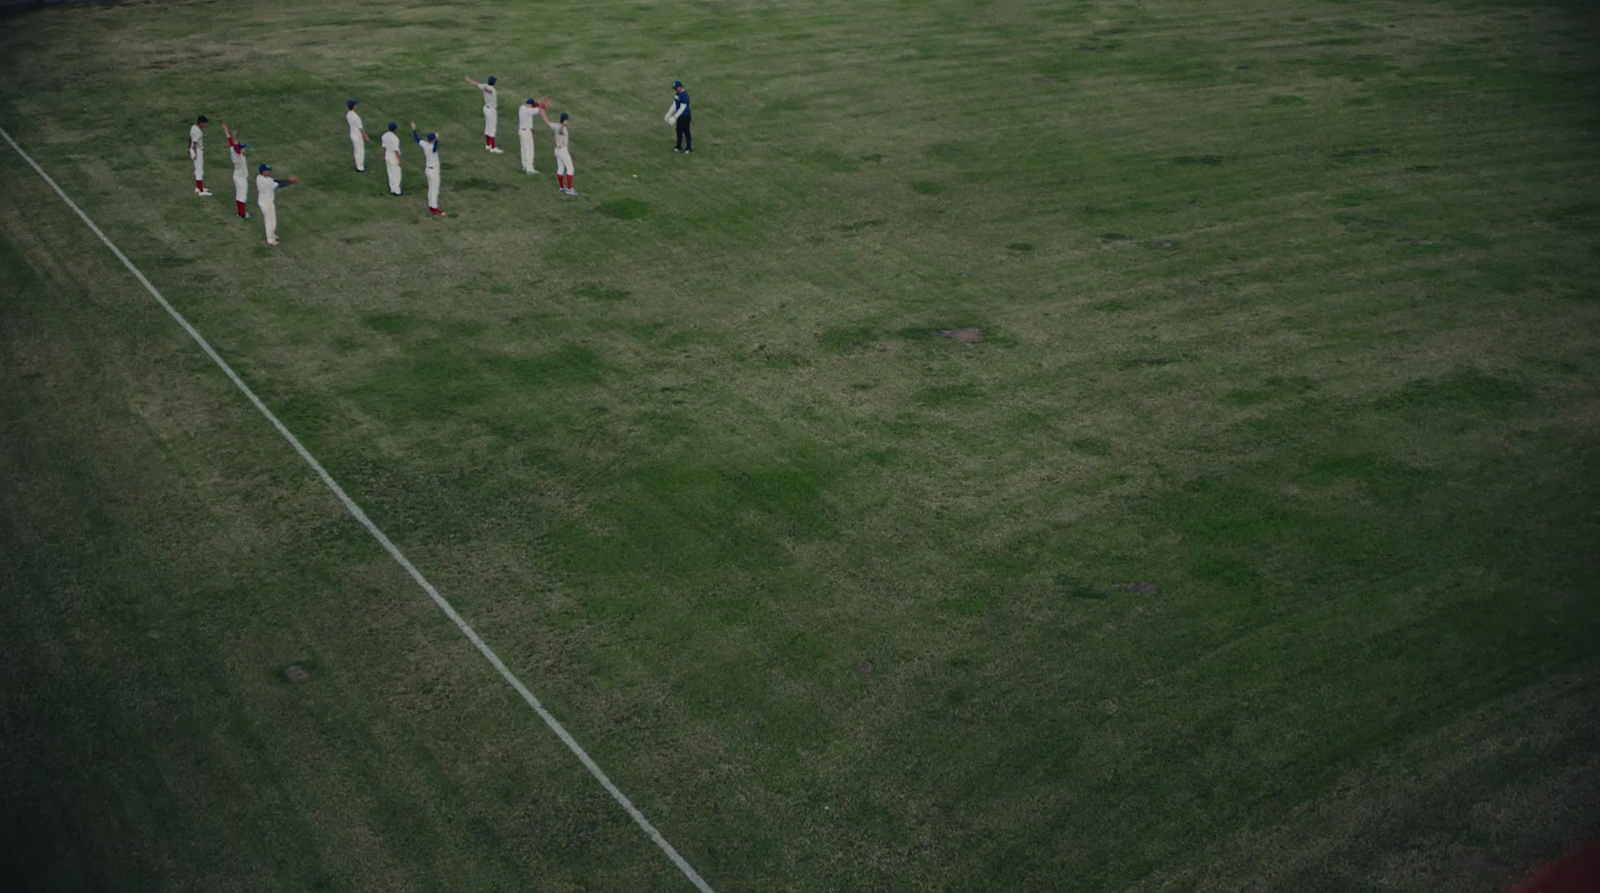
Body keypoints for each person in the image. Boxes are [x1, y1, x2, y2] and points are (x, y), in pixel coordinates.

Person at [254, 163, 298, 246]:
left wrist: (288, 180)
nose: (269, 172)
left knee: (273, 219)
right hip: (264, 203)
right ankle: (270, 240)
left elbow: (276, 181)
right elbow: (279, 185)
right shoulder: (264, 181)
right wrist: (290, 182)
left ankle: (272, 234)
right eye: (267, 170)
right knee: (268, 221)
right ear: (263, 172)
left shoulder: (263, 178)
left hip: (269, 201)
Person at [537, 106, 576, 195]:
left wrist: (542, 112)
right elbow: (561, 132)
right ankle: (569, 189)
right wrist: (563, 125)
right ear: (565, 120)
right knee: (570, 169)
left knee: (560, 168)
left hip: (556, 150)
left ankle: (562, 187)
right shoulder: (563, 128)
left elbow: (547, 122)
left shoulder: (555, 125)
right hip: (563, 150)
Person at [410, 121, 444, 215]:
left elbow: (416, 139)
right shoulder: (431, 147)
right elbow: (435, 148)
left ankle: (431, 205)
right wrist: (437, 139)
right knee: (434, 190)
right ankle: (434, 208)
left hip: (428, 169)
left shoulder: (425, 145)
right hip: (434, 171)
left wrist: (414, 129)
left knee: (430, 188)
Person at [466, 76, 503, 153]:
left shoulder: (485, 86)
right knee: (492, 128)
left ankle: (487, 144)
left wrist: (469, 80)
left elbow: (476, 84)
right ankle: (493, 147)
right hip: (492, 110)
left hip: (486, 108)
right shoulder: (493, 90)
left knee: (487, 126)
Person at [221, 123, 250, 218]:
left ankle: (239, 212)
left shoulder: (233, 152)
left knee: (238, 195)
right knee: (242, 196)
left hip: (236, 176)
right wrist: (234, 136)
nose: (244, 149)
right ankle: (242, 213)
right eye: (243, 148)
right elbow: (235, 145)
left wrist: (226, 131)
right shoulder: (238, 155)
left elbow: (230, 143)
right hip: (241, 177)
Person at [517, 98, 542, 175]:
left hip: (522, 130)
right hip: (526, 131)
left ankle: (524, 166)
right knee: (529, 149)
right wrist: (541, 106)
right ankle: (529, 168)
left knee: (523, 149)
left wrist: (536, 104)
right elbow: (537, 110)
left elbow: (533, 108)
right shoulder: (528, 111)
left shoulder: (522, 108)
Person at [666, 80, 691, 153]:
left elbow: (682, 108)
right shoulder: (677, 94)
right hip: (680, 116)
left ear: (680, 87)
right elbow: (675, 104)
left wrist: (674, 117)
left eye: (676, 88)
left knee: (686, 131)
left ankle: (688, 148)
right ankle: (679, 146)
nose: (675, 89)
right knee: (678, 131)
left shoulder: (684, 95)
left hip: (685, 116)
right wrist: (669, 113)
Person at [189, 115, 212, 195]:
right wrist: (195, 153)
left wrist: (189, 148)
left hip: (193, 149)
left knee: (198, 169)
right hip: (197, 150)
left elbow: (190, 138)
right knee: (199, 170)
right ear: (201, 123)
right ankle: (200, 190)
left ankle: (198, 187)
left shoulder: (193, 127)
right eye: (204, 123)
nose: (205, 125)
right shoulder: (198, 132)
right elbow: (195, 142)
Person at [380, 121, 404, 195]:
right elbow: (396, 150)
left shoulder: (384, 135)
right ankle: (397, 191)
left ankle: (392, 189)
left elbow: (384, 147)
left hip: (387, 155)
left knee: (390, 173)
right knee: (397, 173)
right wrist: (399, 159)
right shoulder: (395, 138)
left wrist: (383, 156)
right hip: (393, 157)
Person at [346, 100, 369, 172]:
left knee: (356, 150)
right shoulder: (356, 117)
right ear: (354, 106)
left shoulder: (348, 114)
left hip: (352, 133)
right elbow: (361, 128)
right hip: (357, 134)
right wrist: (365, 136)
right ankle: (360, 167)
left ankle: (357, 164)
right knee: (360, 150)